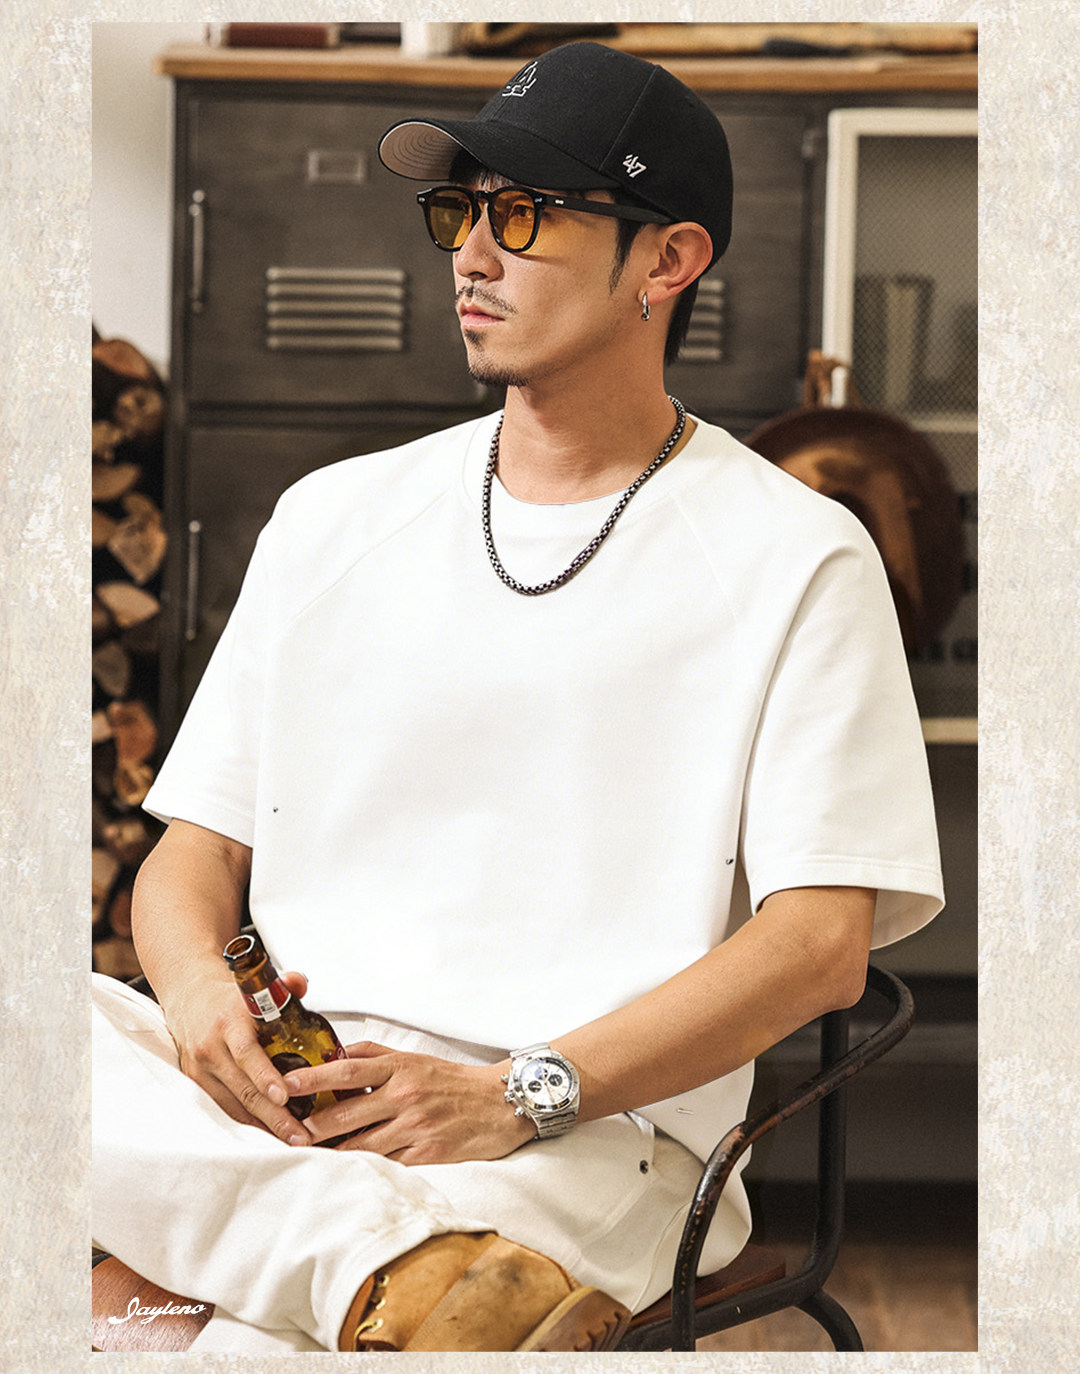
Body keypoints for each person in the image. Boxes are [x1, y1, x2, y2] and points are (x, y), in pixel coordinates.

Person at [91, 42, 944, 1354]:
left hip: (583, 1128)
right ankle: (378, 1264)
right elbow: (190, 855)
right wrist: (205, 1009)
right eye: (463, 211)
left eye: (527, 214)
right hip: (300, 1087)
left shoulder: (798, 559)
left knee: (191, 1329)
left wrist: (515, 1094)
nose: (473, 255)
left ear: (668, 260)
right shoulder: (333, 519)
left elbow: (820, 945)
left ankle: (297, 1268)